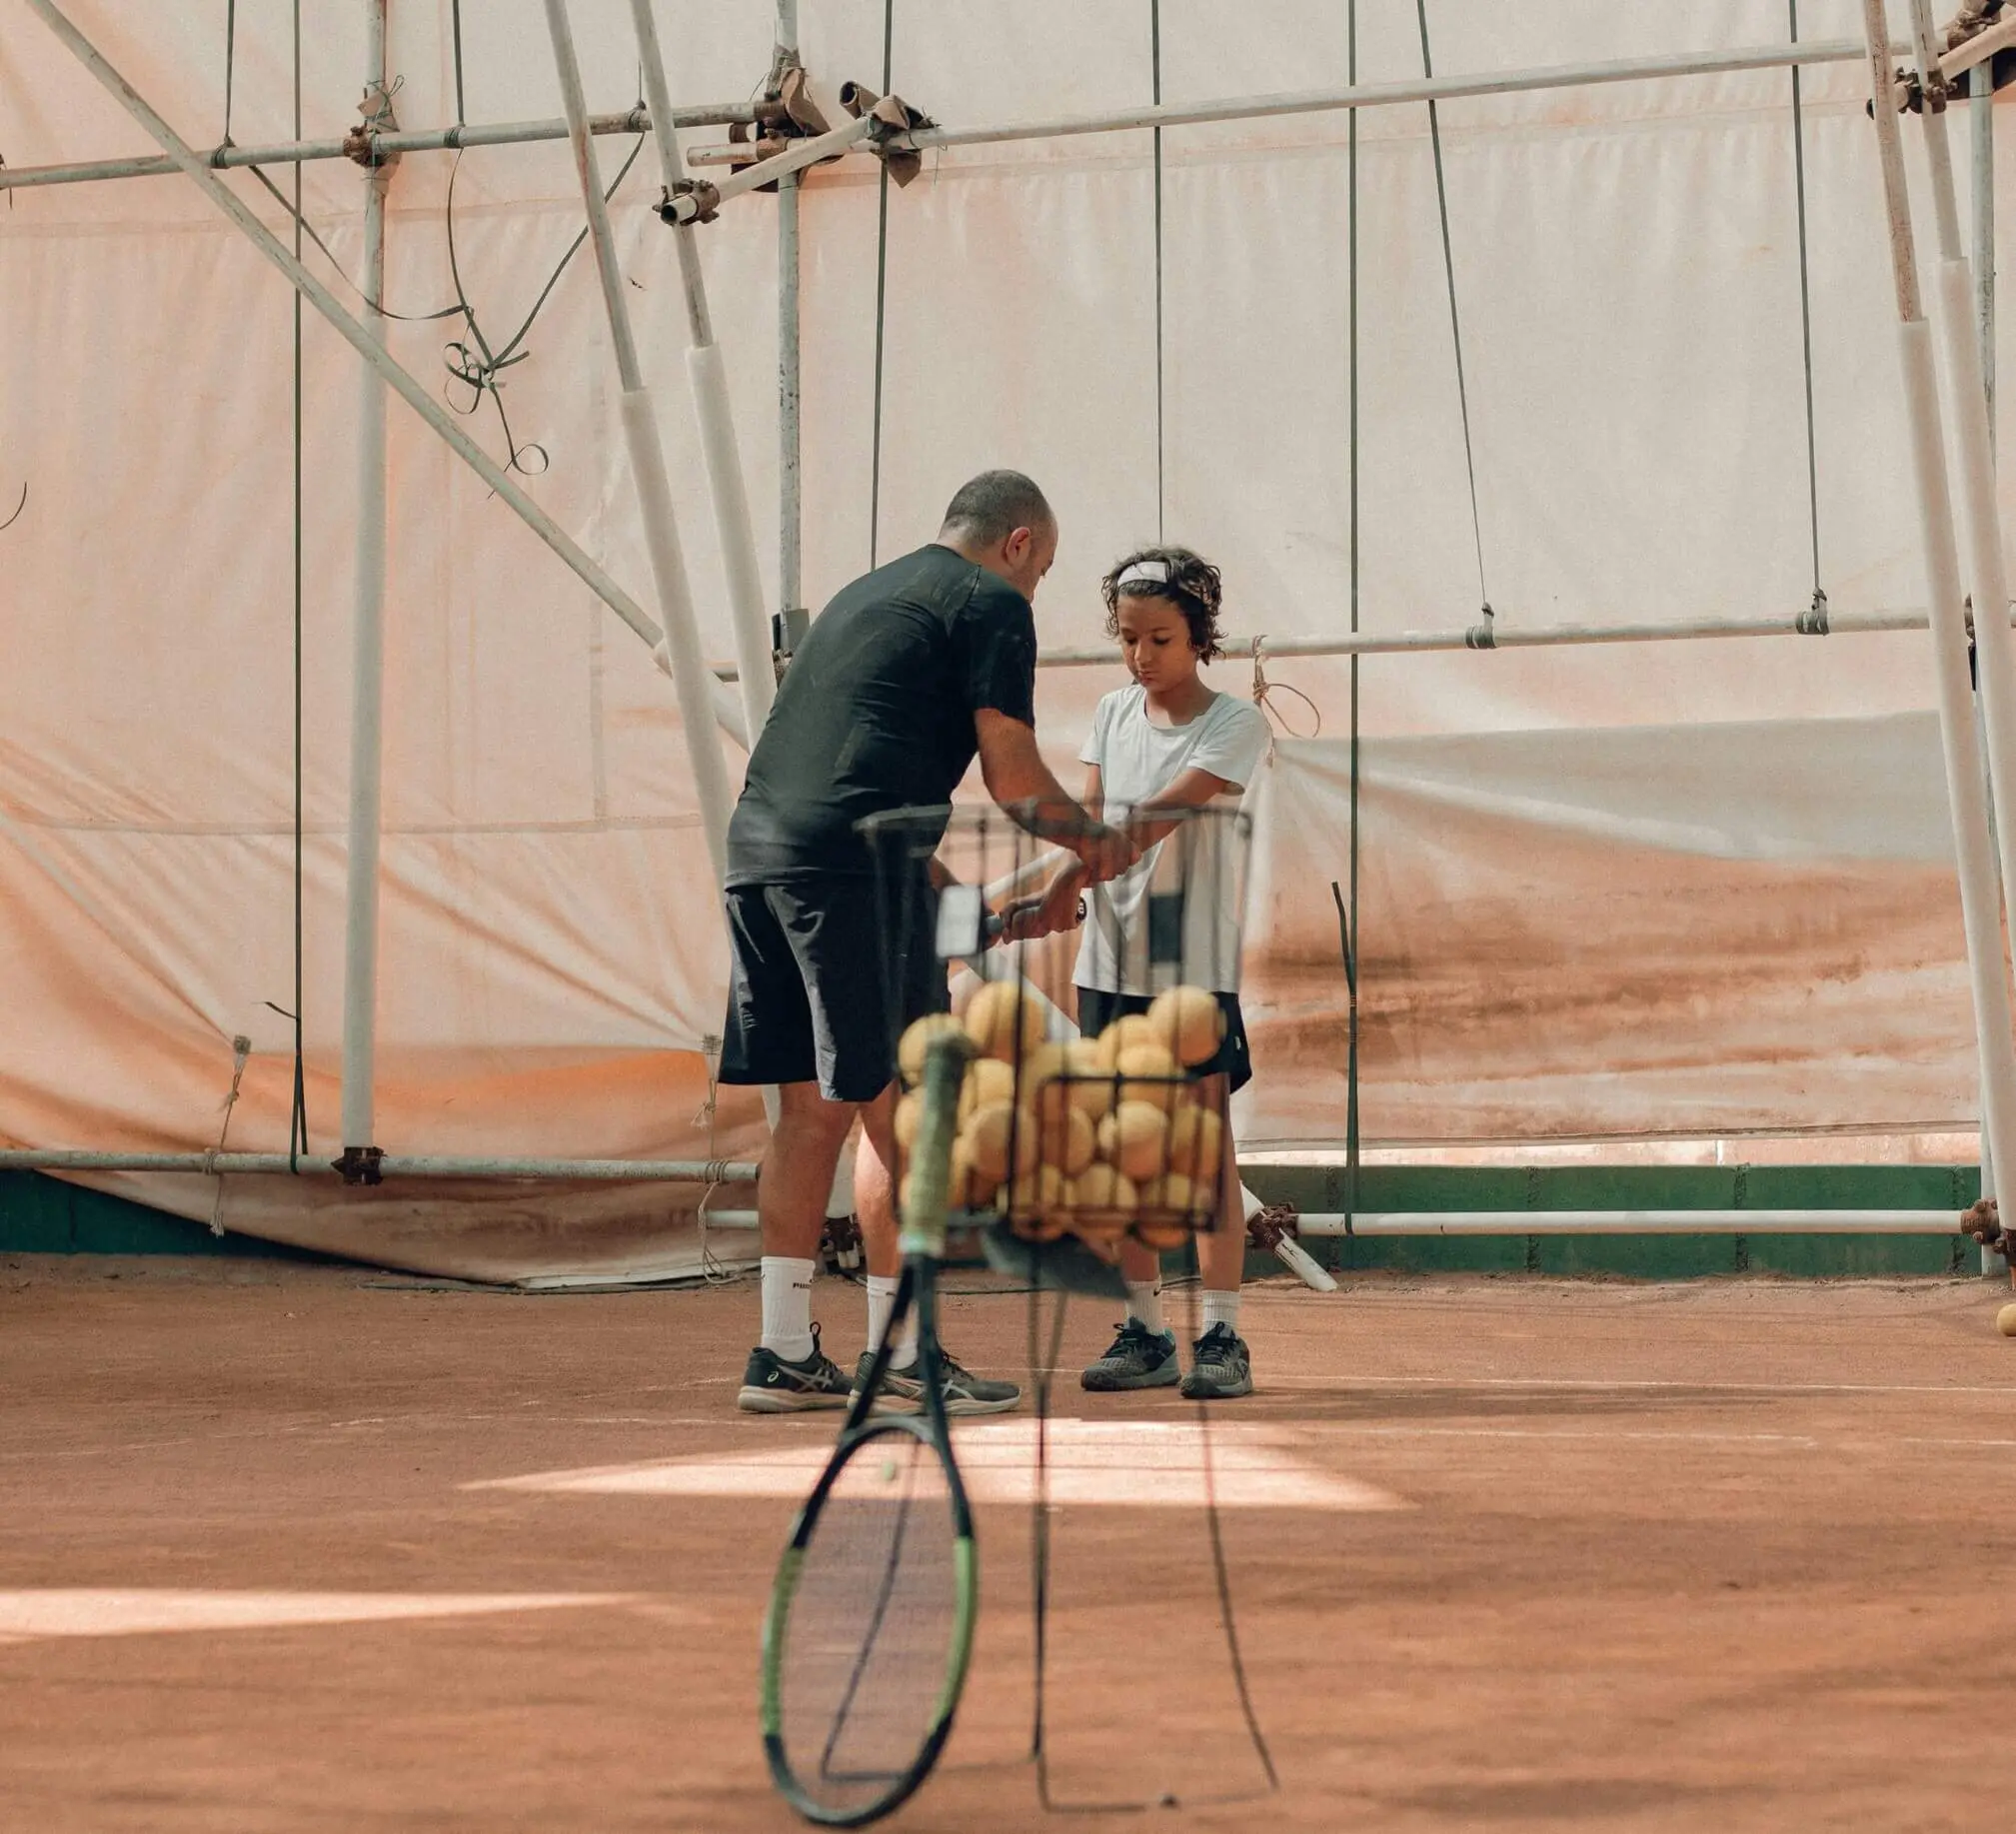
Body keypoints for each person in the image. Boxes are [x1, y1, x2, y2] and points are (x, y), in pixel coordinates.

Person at [723, 471, 1129, 1415]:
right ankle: (905, 1353)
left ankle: (782, 1350)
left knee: (811, 1110)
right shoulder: (989, 599)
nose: (1035, 591)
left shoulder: (865, 595)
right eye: (1045, 570)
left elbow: (852, 783)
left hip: (762, 855)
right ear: (1017, 542)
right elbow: (1014, 775)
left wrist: (970, 913)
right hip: (850, 870)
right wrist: (1094, 843)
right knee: (907, 1107)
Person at [1013, 546, 1268, 1399]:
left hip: (1190, 967)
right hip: (1107, 967)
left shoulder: (1233, 724)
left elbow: (1148, 823)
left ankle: (1223, 1333)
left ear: (1200, 635)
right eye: (1127, 638)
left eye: (1159, 637)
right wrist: (1054, 891)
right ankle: (1147, 1330)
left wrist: (1068, 878)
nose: (1140, 655)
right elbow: (1090, 820)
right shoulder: (1111, 713)